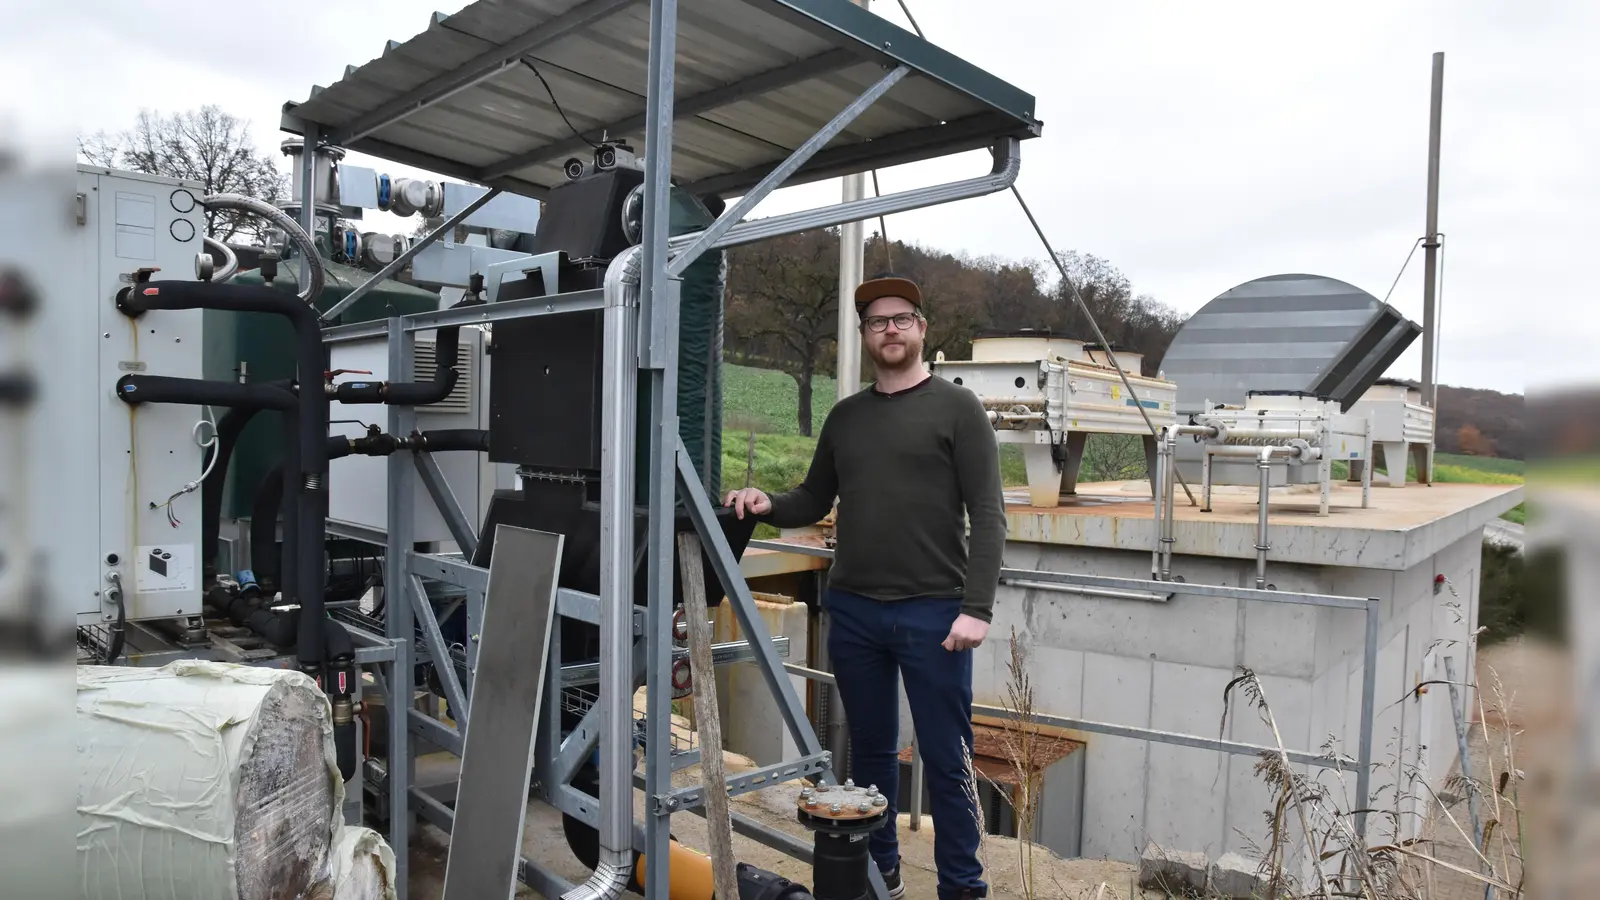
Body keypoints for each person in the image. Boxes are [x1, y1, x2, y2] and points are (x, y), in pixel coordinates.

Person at [724, 274, 1006, 900]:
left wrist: (976, 609)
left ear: (922, 328)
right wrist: (766, 501)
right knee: (870, 756)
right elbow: (813, 497)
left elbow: (988, 512)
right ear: (864, 336)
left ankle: (963, 887)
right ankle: (885, 878)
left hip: (936, 615)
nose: (890, 330)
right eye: (878, 322)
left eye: (901, 318)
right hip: (854, 612)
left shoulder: (958, 409)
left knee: (947, 756)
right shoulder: (846, 416)